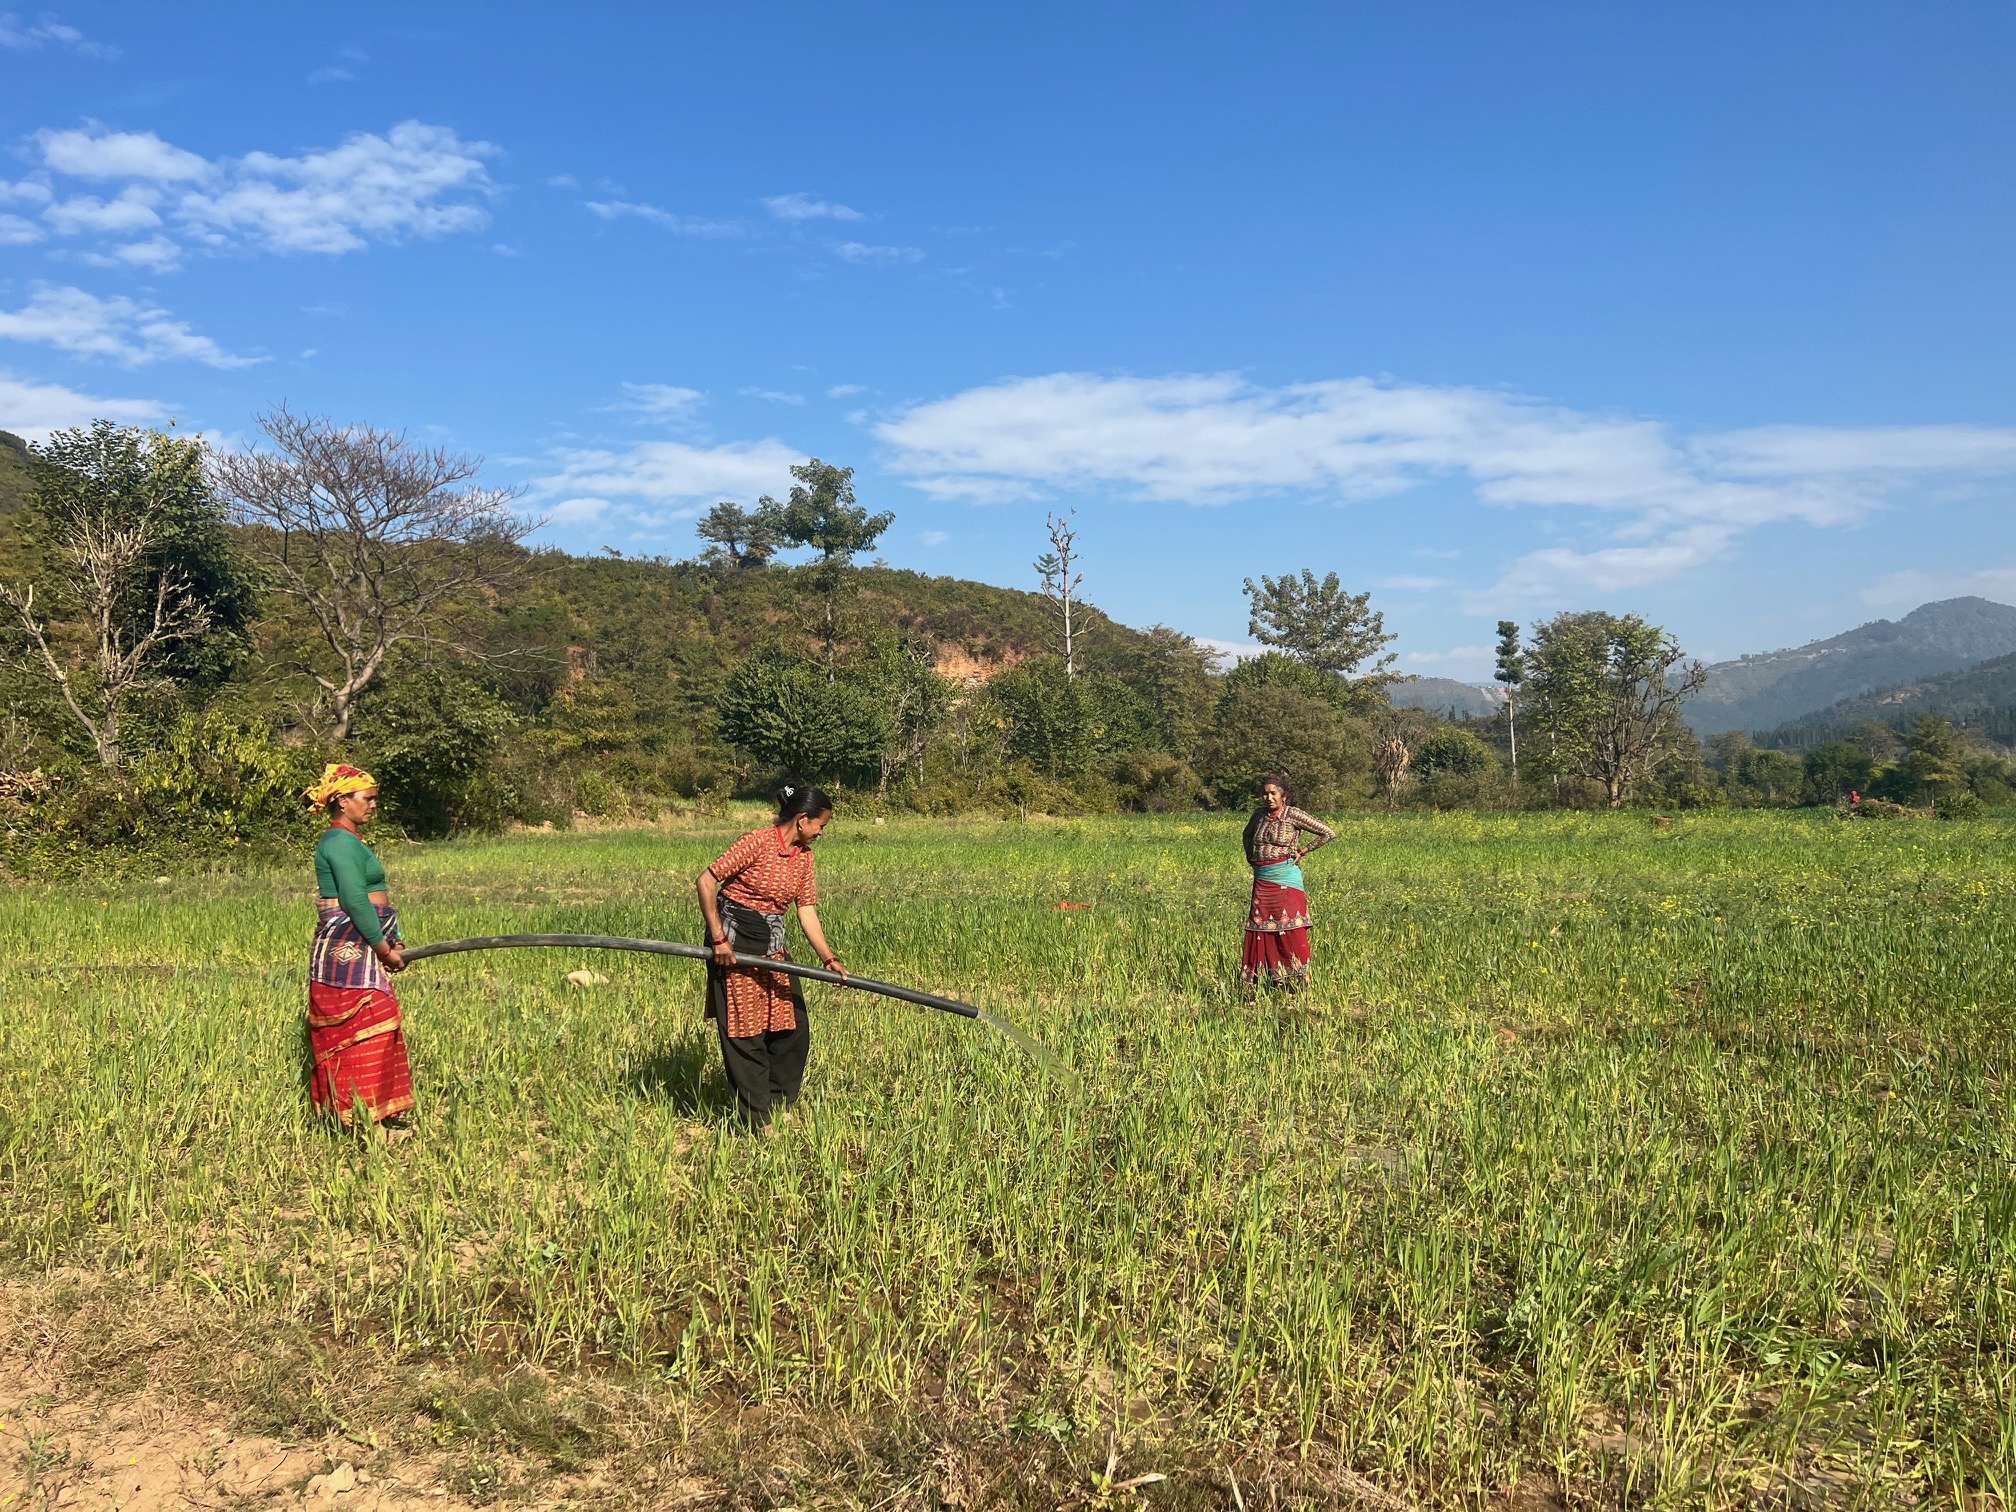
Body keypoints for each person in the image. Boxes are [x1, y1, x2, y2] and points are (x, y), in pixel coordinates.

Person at [695, 785, 846, 1127]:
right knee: (745, 1034)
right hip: (733, 948)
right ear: (802, 820)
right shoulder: (757, 842)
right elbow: (706, 882)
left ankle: (777, 1104)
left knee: (792, 1029)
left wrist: (828, 958)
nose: (822, 832)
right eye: (821, 825)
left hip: (772, 948)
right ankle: (756, 1120)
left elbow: (806, 910)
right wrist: (718, 939)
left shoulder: (804, 858)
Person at [304, 763, 414, 1130]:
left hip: (363, 938)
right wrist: (383, 948)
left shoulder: (350, 840)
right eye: (367, 799)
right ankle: (353, 1116)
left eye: (374, 799)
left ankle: (379, 1112)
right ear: (342, 800)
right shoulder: (337, 842)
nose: (373, 806)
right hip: (346, 945)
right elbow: (354, 898)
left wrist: (389, 938)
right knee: (368, 1020)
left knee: (381, 1022)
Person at [1241, 773, 1335, 989]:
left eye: (1273, 793)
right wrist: (1250, 856)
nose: (1268, 798)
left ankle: (1300, 979)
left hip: (1285, 879)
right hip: (1262, 880)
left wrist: (1303, 850)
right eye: (1265, 794)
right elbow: (1247, 835)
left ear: (1283, 795)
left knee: (1291, 927)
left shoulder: (1293, 815)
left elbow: (1327, 833)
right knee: (1261, 928)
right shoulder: (1259, 815)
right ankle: (1270, 979)